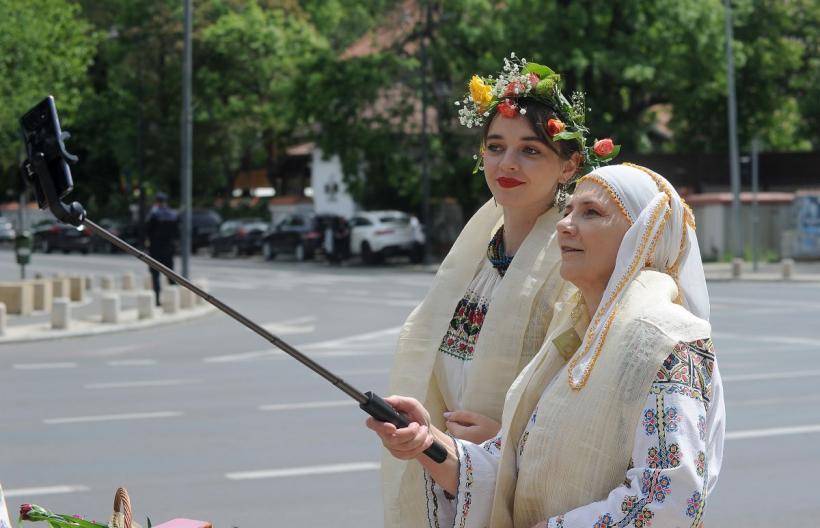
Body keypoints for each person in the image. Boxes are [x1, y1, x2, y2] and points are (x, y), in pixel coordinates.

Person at [368, 163, 725, 528]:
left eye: (591, 213)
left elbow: (671, 500)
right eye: (568, 210)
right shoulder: (573, 334)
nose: (564, 224)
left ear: (644, 234)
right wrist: (426, 441)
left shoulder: (666, 341)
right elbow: (511, 473)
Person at [381, 54, 621, 528]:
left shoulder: (581, 263)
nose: (507, 163)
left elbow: (601, 405)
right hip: (447, 478)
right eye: (495, 146)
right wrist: (424, 434)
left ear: (569, 165)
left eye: (531, 150)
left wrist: (509, 440)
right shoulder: (471, 254)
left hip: (534, 493)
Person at [145, 192, 178, 306]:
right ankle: (174, 299)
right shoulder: (173, 214)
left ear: (157, 201)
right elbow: (176, 232)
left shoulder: (154, 214)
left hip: (155, 247)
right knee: (170, 275)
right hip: (169, 247)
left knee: (155, 275)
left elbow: (148, 231)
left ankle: (157, 300)